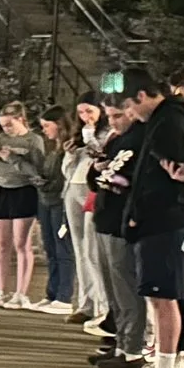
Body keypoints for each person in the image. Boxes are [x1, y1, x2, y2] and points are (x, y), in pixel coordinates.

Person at [116, 66, 184, 368]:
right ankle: (163, 364)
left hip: (164, 223)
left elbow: (168, 178)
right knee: (157, 295)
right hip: (158, 221)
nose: (131, 115)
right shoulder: (163, 121)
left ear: (142, 96)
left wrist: (142, 213)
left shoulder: (170, 123)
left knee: (163, 296)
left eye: (131, 106)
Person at [87, 95, 150, 368]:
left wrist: (110, 176)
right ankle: (121, 341)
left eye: (117, 116)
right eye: (109, 116)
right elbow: (97, 179)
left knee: (126, 288)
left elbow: (129, 179)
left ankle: (132, 347)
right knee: (114, 289)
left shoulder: (140, 139)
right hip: (105, 217)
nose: (113, 122)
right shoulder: (115, 139)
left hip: (120, 220)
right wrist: (98, 169)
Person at [0, 101, 51, 309]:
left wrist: (13, 159)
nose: (6, 129)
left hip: (23, 191)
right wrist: (2, 161)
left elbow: (36, 170)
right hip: (1, 190)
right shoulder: (0, 139)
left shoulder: (33, 140)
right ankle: (1, 290)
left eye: (9, 124)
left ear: (21, 119)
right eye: (3, 125)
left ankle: (21, 292)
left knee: (21, 243)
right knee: (1, 244)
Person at [66, 98, 109, 327]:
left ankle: (103, 305)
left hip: (92, 187)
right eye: (81, 112)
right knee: (79, 247)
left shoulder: (107, 131)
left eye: (89, 111)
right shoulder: (77, 132)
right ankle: (86, 302)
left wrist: (91, 138)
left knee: (92, 249)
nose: (85, 116)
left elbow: (103, 155)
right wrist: (71, 153)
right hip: (74, 185)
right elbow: (68, 168)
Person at [35, 106, 76, 315]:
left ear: (59, 125)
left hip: (59, 202)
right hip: (46, 202)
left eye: (46, 126)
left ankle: (64, 295)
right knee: (50, 249)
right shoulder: (53, 149)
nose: (44, 131)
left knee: (63, 250)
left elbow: (61, 179)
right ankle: (51, 293)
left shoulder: (67, 149)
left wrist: (45, 184)